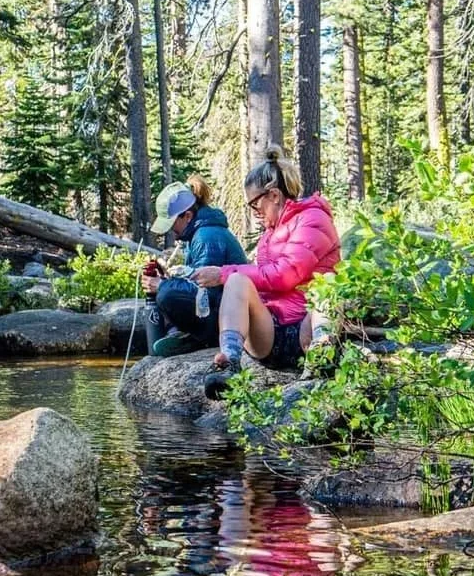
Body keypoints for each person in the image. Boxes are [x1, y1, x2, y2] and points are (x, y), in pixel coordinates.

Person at [186, 146, 340, 398]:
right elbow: (261, 281)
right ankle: (229, 362)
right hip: (269, 335)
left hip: (306, 326)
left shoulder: (314, 219)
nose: (254, 213)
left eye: (255, 205)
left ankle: (323, 353)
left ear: (275, 196)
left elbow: (286, 274)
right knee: (237, 281)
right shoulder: (269, 234)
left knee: (330, 282)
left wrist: (221, 273)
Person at [141, 175, 248, 356]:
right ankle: (193, 335)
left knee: (168, 295)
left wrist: (162, 286)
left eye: (172, 223)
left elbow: (205, 294)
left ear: (188, 216)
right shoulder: (198, 234)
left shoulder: (207, 237)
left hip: (228, 317)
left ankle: (204, 338)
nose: (170, 230)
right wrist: (168, 279)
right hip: (219, 310)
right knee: (168, 290)